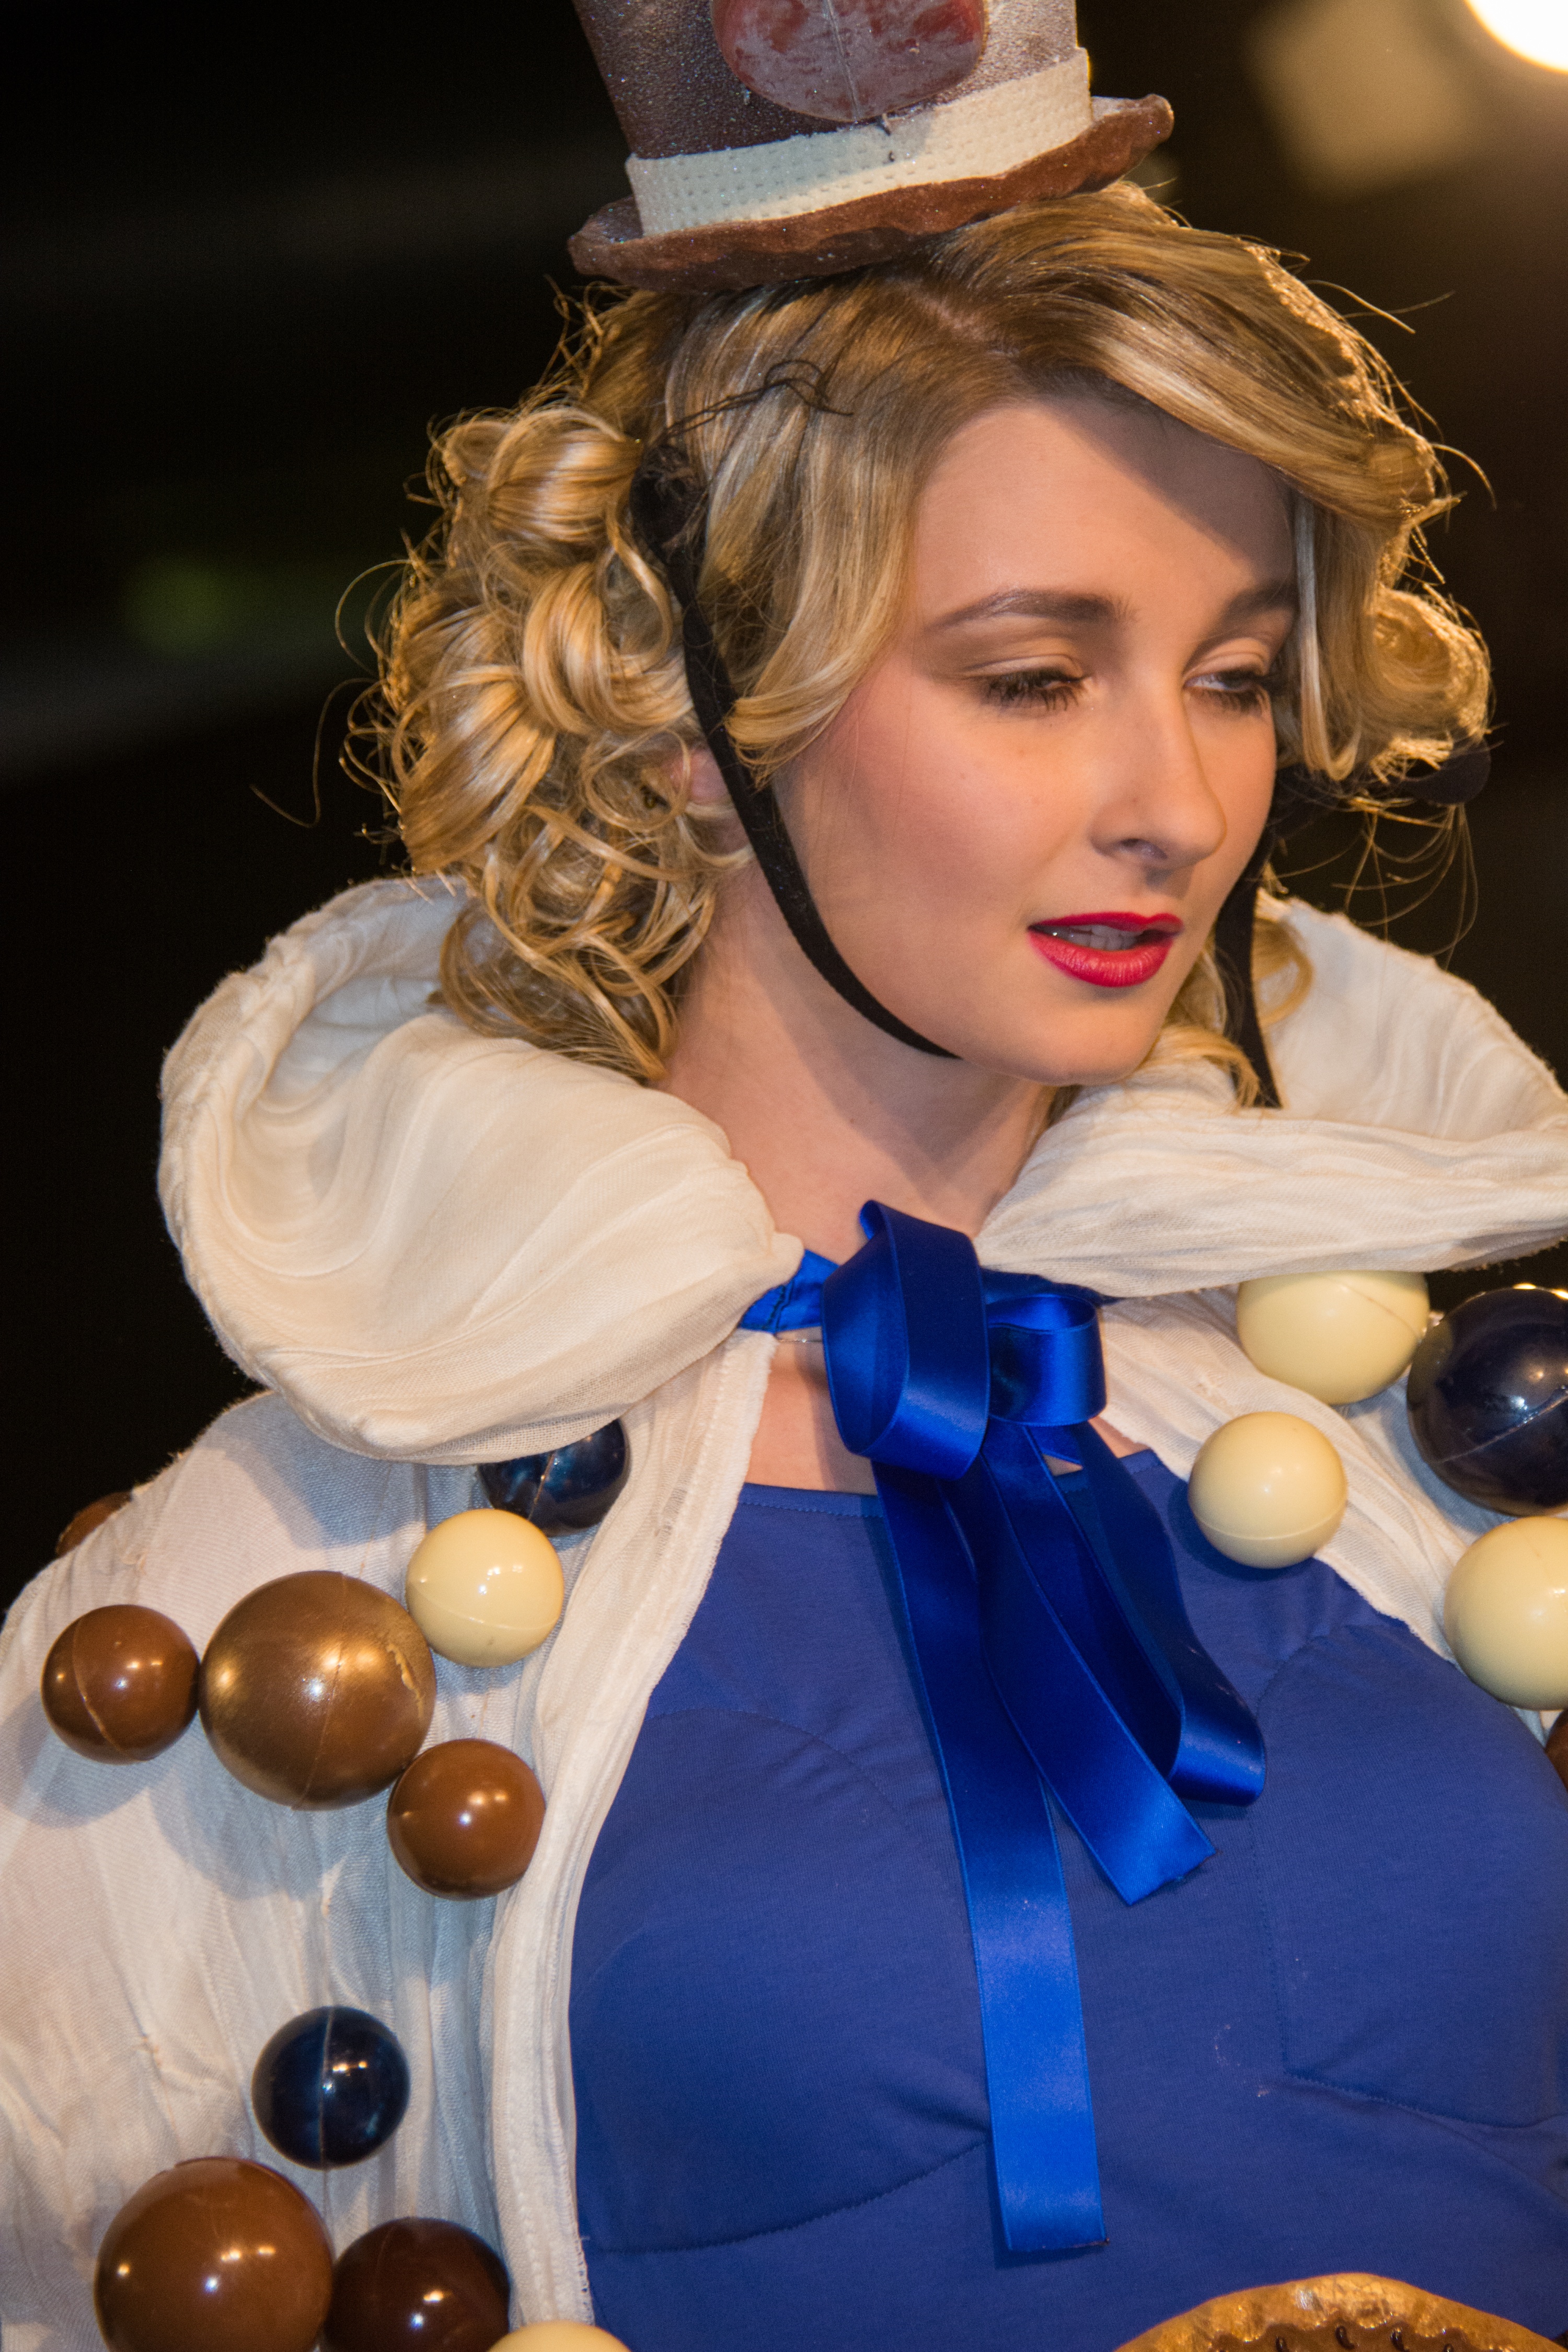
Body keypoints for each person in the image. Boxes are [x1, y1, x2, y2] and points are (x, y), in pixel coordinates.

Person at [4, 9, 1568, 2348]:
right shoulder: (284, 1609)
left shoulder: (1419, 1444)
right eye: (1033, 676)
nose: (1177, 801)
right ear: (690, 714)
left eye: (1237, 675)